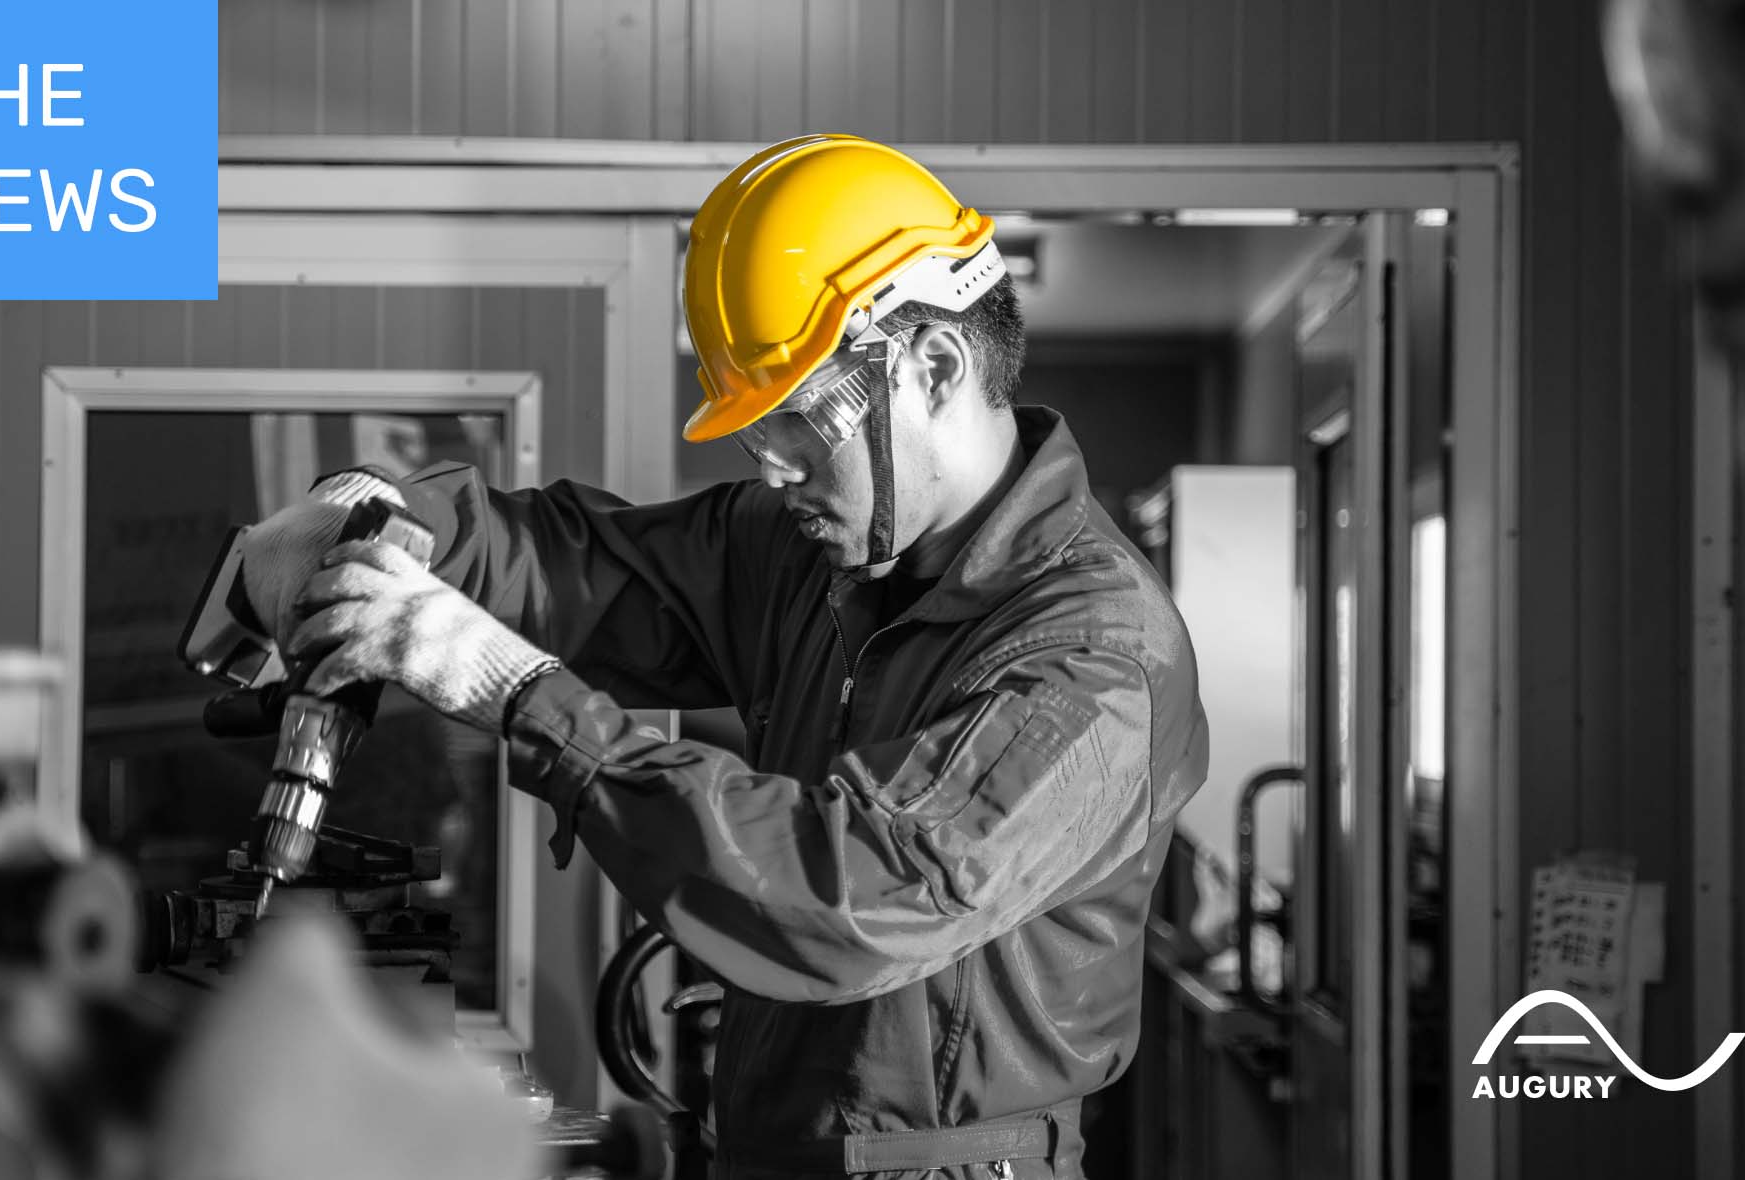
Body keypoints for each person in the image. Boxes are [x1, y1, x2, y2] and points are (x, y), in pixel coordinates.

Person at [249, 134, 1211, 1180]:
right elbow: (592, 566)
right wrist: (402, 519)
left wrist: (512, 689)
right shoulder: (816, 555)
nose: (770, 467)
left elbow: (857, 892)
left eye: (796, 421)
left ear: (932, 367)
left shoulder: (1093, 652)